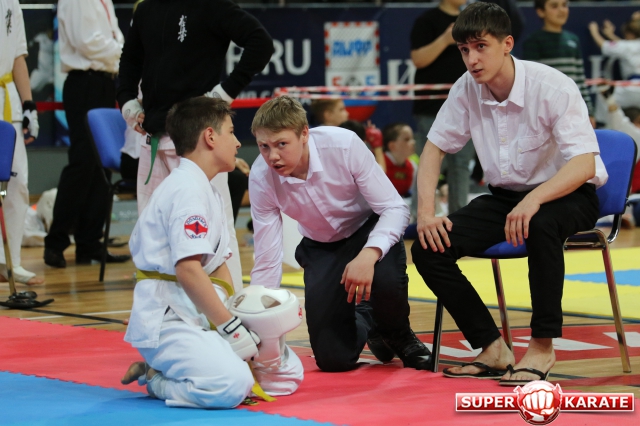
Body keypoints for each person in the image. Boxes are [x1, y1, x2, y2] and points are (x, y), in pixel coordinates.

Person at [411, 3, 607, 386]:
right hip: (505, 198)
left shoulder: (551, 86)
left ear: (507, 44)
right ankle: (492, 346)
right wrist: (426, 214)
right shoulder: (466, 88)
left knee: (541, 224)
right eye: (464, 50)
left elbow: (584, 164)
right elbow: (434, 148)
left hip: (568, 193)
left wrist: (535, 199)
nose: (472, 59)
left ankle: (542, 347)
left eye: (481, 46)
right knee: (428, 247)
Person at [121, 97, 302, 408]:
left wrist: (238, 315)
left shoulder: (206, 188)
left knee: (285, 374)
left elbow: (218, 265)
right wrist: (230, 328)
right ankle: (156, 379)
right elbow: (188, 270)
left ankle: (181, 366)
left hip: (201, 312)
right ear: (210, 137)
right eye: (230, 132)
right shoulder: (186, 192)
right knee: (231, 385)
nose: (237, 142)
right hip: (170, 319)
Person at [249, 96, 431, 372]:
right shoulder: (261, 177)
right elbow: (267, 257)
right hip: (320, 245)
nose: (272, 156)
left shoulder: (343, 145)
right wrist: (259, 318)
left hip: (368, 227)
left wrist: (369, 254)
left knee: (386, 279)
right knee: (332, 359)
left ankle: (399, 335)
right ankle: (369, 319)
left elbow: (394, 208)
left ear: (304, 134)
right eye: (264, 146)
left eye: (281, 144)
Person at [117, 0, 274, 291]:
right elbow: (130, 60)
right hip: (153, 137)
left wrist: (224, 92)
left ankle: (228, 309)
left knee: (215, 232)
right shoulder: (147, 8)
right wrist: (127, 100)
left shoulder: (211, 5)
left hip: (197, 140)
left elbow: (260, 42)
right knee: (152, 230)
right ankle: (161, 308)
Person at [44, 0, 130, 268]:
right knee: (82, 162)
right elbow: (88, 43)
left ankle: (90, 243)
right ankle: (55, 241)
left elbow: (116, 36)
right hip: (84, 82)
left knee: (101, 166)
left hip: (105, 81)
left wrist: (120, 49)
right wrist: (123, 52)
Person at [410, 0, 475, 215]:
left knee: (461, 165)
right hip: (431, 108)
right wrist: (445, 39)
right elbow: (418, 59)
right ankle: (420, 218)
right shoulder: (427, 20)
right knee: (429, 164)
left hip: (465, 106)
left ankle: (460, 219)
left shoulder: (470, 21)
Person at [0, 0, 43, 285]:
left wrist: (29, 105)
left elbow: (18, 55)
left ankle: (11, 262)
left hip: (8, 99)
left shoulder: (11, 2)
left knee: (17, 183)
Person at [523, 0, 595, 128]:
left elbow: (580, 80)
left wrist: (589, 111)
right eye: (554, 6)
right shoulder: (534, 41)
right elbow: (530, 83)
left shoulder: (573, 40)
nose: (561, 10)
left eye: (564, 5)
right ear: (540, 11)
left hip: (574, 110)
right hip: (546, 114)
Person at [588, 14, 640, 109]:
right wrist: (610, 35)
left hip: (634, 88)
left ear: (630, 34)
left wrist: (594, 31)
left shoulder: (627, 46)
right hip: (634, 87)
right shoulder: (628, 46)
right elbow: (624, 46)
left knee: (604, 97)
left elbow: (604, 46)